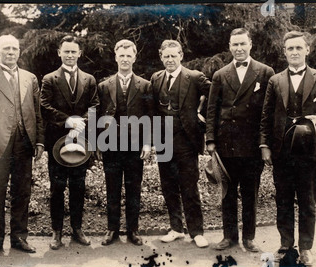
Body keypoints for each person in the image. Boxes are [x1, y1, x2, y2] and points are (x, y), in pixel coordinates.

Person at [260, 31, 316, 266]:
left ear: (307, 50)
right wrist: (265, 145)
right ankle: (286, 246)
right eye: (290, 49)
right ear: (284, 52)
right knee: (283, 200)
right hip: (282, 151)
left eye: (298, 48)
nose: (294, 52)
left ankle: (306, 248)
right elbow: (266, 116)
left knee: (307, 201)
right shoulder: (275, 81)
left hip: (310, 151)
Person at [206, 28, 275, 252]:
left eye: (242, 44)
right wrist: (210, 140)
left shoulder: (265, 72)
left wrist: (266, 143)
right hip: (226, 145)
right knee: (227, 194)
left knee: (250, 194)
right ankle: (229, 237)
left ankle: (249, 238)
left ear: (250, 44)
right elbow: (211, 111)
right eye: (235, 44)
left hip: (253, 145)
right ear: (229, 46)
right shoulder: (220, 75)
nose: (239, 49)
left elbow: (270, 111)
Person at [0, 35, 44, 258]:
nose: (11, 52)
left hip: (24, 142)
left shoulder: (30, 78)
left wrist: (40, 141)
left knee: (22, 191)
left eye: (14, 48)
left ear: (19, 52)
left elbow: (37, 113)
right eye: (6, 49)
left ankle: (19, 237)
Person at [41, 35, 99, 250]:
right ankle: (56, 232)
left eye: (74, 51)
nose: (70, 55)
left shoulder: (89, 79)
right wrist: (68, 121)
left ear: (80, 53)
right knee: (57, 188)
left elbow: (95, 106)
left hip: (81, 140)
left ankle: (77, 229)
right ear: (59, 53)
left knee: (78, 186)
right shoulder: (49, 79)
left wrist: (80, 122)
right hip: (57, 141)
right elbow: (44, 106)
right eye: (66, 51)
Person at [150, 40, 211, 248]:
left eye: (173, 56)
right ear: (160, 57)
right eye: (166, 56)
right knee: (168, 186)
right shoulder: (156, 78)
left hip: (186, 141)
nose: (169, 60)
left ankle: (196, 232)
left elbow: (215, 95)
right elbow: (152, 110)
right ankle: (176, 228)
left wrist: (201, 119)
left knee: (189, 186)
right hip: (163, 141)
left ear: (181, 56)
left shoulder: (194, 77)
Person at [97, 39, 153, 246]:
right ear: (115, 57)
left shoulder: (145, 85)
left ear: (134, 58)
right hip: (111, 146)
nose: (125, 59)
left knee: (133, 188)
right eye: (121, 55)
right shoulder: (104, 86)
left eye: (129, 55)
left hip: (135, 147)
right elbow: (97, 117)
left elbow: (149, 116)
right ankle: (112, 229)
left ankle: (133, 230)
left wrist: (147, 144)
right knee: (112, 188)